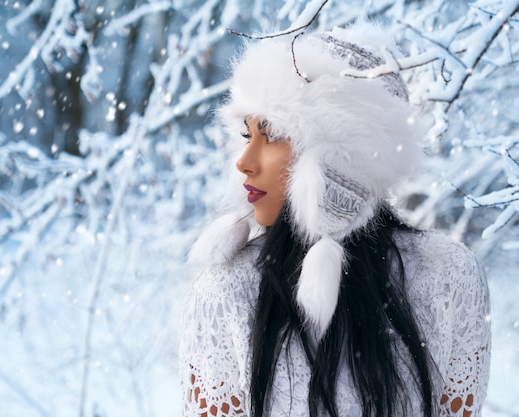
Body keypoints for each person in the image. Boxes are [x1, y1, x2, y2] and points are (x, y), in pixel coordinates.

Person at [179, 23, 491, 417]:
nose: (244, 161)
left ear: (343, 153)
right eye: (247, 134)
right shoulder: (226, 292)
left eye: (271, 133)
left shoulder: (449, 275)